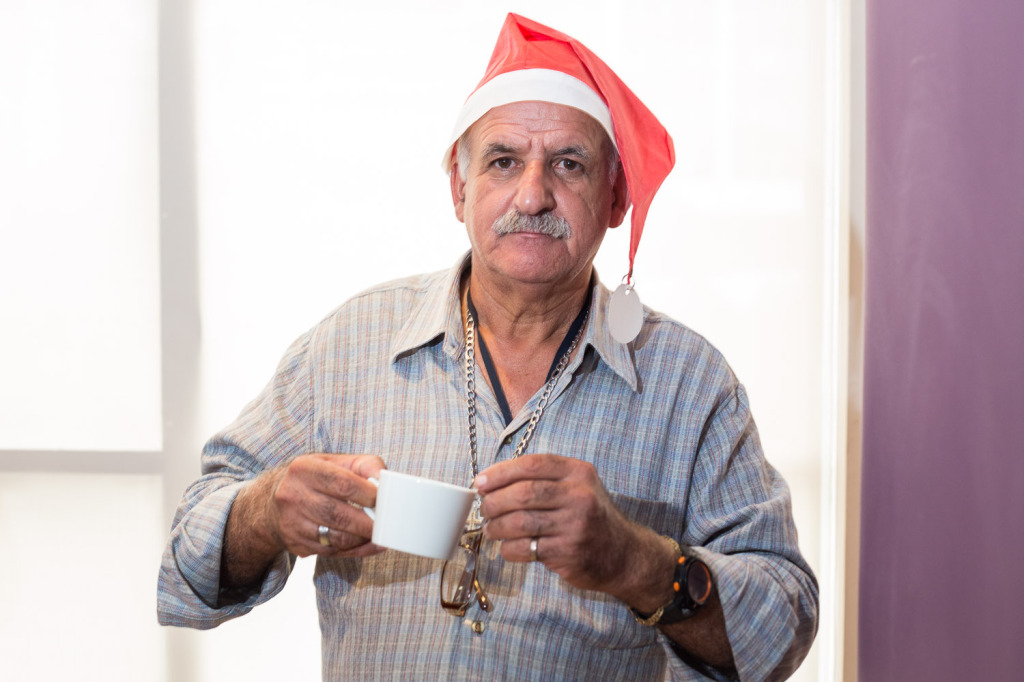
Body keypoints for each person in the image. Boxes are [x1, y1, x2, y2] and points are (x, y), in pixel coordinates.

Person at [158, 13, 818, 681]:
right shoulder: (347, 346)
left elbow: (782, 631)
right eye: (504, 161)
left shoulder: (690, 383)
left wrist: (634, 561)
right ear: (459, 188)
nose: (532, 195)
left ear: (615, 195)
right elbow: (187, 559)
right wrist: (268, 510)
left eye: (569, 164)